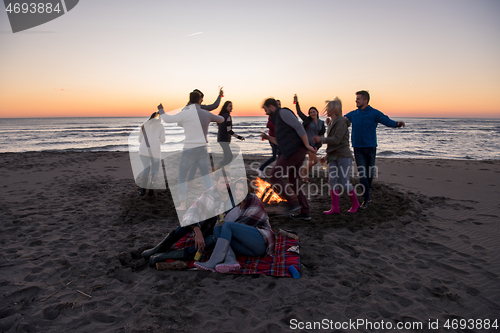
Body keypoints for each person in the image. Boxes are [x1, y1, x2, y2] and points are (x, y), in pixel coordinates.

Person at [142, 170, 235, 266]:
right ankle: (158, 249)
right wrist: (197, 231)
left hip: (217, 233)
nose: (226, 185)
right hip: (205, 227)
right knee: (185, 224)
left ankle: (165, 255)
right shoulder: (209, 194)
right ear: (215, 183)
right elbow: (193, 211)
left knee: (211, 240)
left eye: (228, 182)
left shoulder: (233, 195)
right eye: (223, 182)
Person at [158, 91, 224, 211]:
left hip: (189, 149)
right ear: (200, 100)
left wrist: (161, 109)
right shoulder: (206, 113)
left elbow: (167, 119)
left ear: (189, 100)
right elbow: (221, 119)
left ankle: (183, 204)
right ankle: (216, 201)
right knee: (206, 177)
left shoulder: (185, 113)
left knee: (182, 176)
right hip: (202, 149)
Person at [195, 178, 274, 273]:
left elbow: (232, 226)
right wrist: (221, 217)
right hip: (249, 249)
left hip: (261, 242)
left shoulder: (253, 200)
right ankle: (230, 260)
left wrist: (226, 223)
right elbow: (222, 227)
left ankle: (214, 260)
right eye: (236, 189)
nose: (237, 192)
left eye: (241, 190)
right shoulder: (237, 207)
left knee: (228, 226)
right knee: (218, 230)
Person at [344, 91, 405, 209]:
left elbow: (386, 120)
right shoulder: (353, 114)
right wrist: (331, 122)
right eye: (356, 99)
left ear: (365, 100)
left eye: (358, 99)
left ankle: (367, 194)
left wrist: (396, 124)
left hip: (370, 147)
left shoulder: (374, 113)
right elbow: (341, 121)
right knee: (362, 175)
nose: (356, 101)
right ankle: (366, 199)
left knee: (369, 175)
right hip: (358, 148)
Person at [261, 98, 317, 220]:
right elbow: (279, 141)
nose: (265, 113)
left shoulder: (283, 112)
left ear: (271, 107)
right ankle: (305, 212)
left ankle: (292, 203)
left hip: (294, 151)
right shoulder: (279, 121)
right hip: (293, 151)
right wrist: (267, 137)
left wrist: (307, 145)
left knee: (274, 175)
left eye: (266, 109)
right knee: (293, 181)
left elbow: (299, 127)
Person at [313, 98, 359, 214]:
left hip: (343, 156)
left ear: (334, 109)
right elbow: (332, 145)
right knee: (332, 180)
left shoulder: (341, 122)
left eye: (328, 108)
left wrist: (321, 139)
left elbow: (337, 140)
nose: (326, 110)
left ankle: (355, 204)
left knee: (343, 181)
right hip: (333, 156)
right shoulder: (332, 122)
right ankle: (335, 208)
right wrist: (327, 157)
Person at [294, 94, 325, 182]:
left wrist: (317, 146)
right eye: (311, 112)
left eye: (314, 112)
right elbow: (299, 112)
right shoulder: (307, 121)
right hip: (307, 144)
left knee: (311, 162)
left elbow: (321, 135)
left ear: (317, 112)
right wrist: (297, 102)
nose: (312, 113)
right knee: (314, 161)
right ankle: (303, 171)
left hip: (315, 145)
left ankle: (304, 178)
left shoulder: (321, 123)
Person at [138, 111, 166, 197]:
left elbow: (139, 139)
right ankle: (151, 186)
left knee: (146, 169)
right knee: (155, 170)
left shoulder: (144, 125)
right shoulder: (160, 126)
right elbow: (162, 140)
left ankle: (143, 190)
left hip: (143, 150)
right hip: (155, 151)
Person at [216, 101, 245, 169]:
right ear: (225, 107)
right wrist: (239, 137)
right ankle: (218, 167)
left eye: (232, 106)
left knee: (227, 157)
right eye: (229, 106)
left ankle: (222, 169)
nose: (231, 108)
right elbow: (229, 130)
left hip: (220, 139)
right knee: (229, 157)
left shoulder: (221, 116)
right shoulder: (228, 116)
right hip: (224, 139)